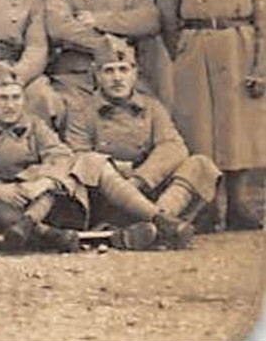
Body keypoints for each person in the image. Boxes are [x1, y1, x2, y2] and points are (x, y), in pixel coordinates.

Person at [158, 0, 266, 230]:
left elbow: (263, 15)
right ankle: (208, 205)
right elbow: (167, 14)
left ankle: (239, 204)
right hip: (196, 45)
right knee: (200, 128)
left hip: (238, 44)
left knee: (238, 127)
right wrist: (184, 50)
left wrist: (261, 65)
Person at [64, 37, 215, 250]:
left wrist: (141, 179)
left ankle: (153, 225)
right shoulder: (81, 111)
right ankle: (162, 224)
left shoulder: (151, 107)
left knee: (200, 164)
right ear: (96, 75)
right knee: (91, 162)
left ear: (134, 73)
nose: (117, 78)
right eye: (108, 71)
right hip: (108, 198)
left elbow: (173, 146)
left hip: (148, 189)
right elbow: (78, 155)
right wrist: (120, 176)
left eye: (123, 70)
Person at [0, 67, 83, 254]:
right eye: (2, 98)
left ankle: (25, 225)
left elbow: (60, 155)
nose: (10, 105)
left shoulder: (35, 125)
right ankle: (44, 233)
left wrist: (43, 183)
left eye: (15, 98)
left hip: (32, 195)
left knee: (58, 180)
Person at [43, 0, 161, 119]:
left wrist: (100, 20)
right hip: (75, 73)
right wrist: (108, 45)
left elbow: (149, 20)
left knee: (146, 114)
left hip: (123, 75)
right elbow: (59, 26)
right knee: (63, 111)